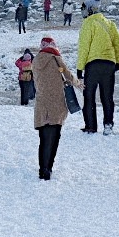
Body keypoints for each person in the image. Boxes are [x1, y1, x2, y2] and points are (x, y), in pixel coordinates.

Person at [30, 35, 79, 180]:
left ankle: (42, 169)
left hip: (42, 103)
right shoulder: (55, 57)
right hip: (57, 103)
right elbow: (68, 76)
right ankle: (49, 168)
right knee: (54, 136)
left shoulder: (36, 61)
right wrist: (79, 84)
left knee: (44, 138)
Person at [75, 0, 119, 135]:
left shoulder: (88, 24)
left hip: (93, 64)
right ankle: (108, 124)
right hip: (109, 64)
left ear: (89, 9)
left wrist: (79, 69)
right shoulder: (110, 24)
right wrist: (118, 62)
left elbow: (84, 47)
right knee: (107, 96)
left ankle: (91, 126)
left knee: (89, 96)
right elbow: (118, 44)